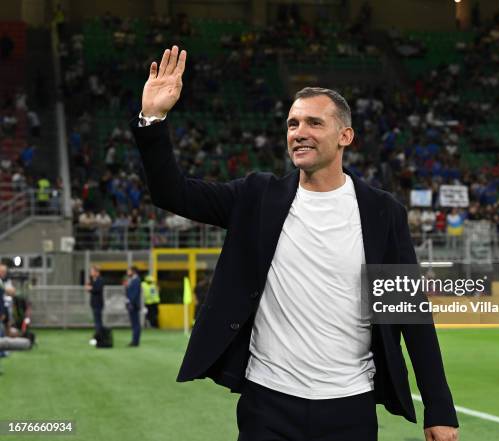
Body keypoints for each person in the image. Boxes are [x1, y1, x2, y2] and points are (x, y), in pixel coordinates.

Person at [132, 45, 458, 441]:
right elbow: (173, 193)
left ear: (345, 136)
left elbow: (410, 314)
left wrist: (438, 408)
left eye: (314, 123)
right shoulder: (256, 196)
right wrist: (153, 118)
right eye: (292, 124)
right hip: (267, 402)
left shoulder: (382, 212)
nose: (299, 133)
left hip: (350, 404)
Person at [85, 265, 105, 343]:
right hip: (94, 303)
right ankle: (98, 336)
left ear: (97, 272)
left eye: (92, 271)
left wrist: (90, 288)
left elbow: (97, 289)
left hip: (98, 304)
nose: (91, 273)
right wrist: (89, 287)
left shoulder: (100, 280)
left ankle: (99, 337)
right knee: (97, 321)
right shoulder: (93, 280)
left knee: (98, 322)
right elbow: (90, 288)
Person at [124, 266, 141, 347]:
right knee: (134, 324)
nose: (127, 272)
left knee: (135, 324)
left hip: (133, 305)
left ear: (133, 271)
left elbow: (135, 293)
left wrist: (130, 302)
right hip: (131, 304)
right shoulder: (132, 280)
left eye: (129, 271)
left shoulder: (136, 280)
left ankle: (135, 341)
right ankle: (134, 340)